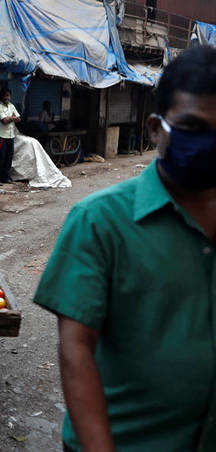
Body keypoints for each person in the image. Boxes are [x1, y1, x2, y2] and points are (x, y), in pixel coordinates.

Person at [33, 46, 216, 452]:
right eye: (192, 128)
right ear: (155, 128)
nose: (209, 144)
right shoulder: (99, 221)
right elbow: (76, 348)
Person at [0, 87, 20, 186]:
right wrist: (12, 118)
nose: (6, 97)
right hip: (1, 136)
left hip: (11, 136)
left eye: (8, 95)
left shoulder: (11, 106)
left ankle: (5, 177)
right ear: (1, 96)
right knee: (0, 158)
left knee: (9, 158)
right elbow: (4, 121)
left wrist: (11, 118)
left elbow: (18, 118)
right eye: (5, 95)